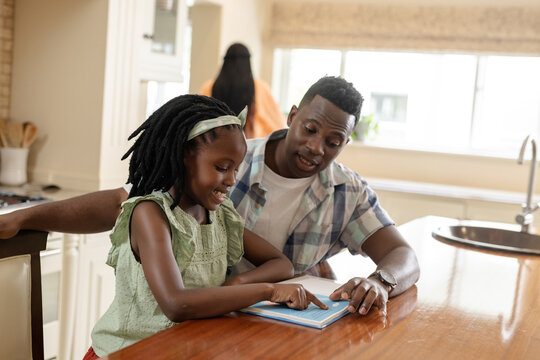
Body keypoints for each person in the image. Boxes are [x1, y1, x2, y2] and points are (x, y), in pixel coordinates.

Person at [0, 76, 419, 319]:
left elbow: (404, 257)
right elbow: (123, 203)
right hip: (191, 323)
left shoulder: (346, 190)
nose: (316, 147)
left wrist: (380, 281)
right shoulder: (227, 156)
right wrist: (29, 215)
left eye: (334, 141)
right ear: (292, 116)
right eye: (310, 129)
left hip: (262, 326)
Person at [72, 95, 325, 359]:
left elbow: (281, 263)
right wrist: (268, 290)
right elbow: (175, 303)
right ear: (183, 157)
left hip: (186, 348)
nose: (230, 180)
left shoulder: (220, 214)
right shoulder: (151, 214)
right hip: (125, 351)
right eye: (222, 167)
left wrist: (238, 282)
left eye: (236, 170)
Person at [199, 43, 285, 138]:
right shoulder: (260, 87)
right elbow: (278, 125)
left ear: (225, 61)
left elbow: (200, 121)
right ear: (248, 62)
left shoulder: (209, 86)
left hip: (215, 144)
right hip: (250, 147)